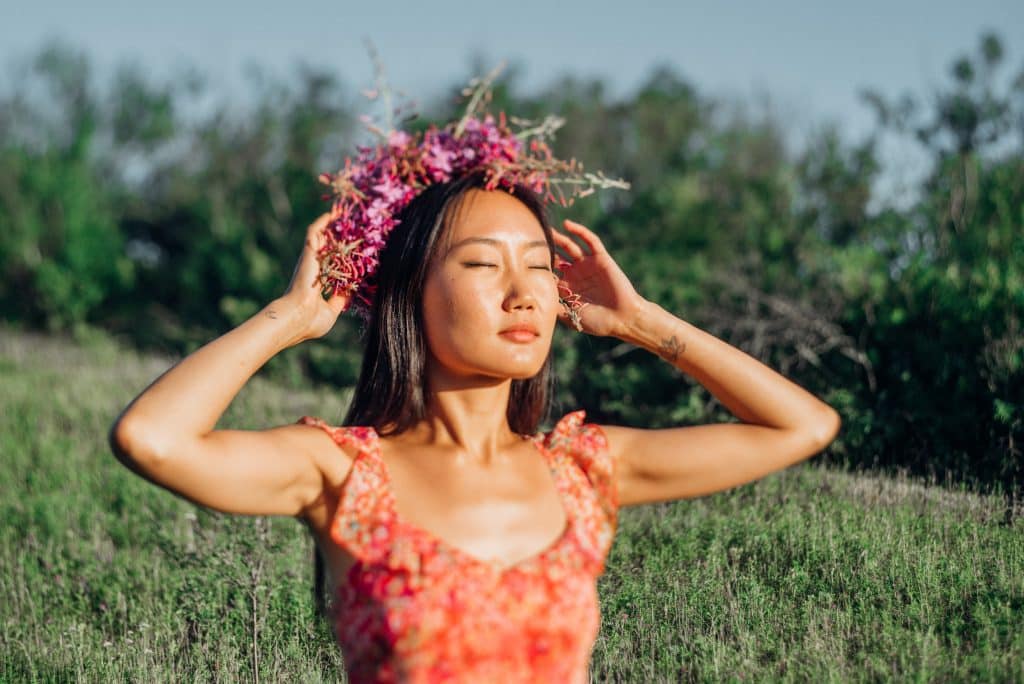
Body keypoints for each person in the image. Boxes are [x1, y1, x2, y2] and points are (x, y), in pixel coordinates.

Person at [109, 102, 840, 683]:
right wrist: (287, 319)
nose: (524, 294)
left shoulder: (582, 469)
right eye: (484, 265)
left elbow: (802, 426)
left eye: (538, 268)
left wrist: (643, 322)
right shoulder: (342, 473)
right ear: (411, 293)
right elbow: (153, 439)